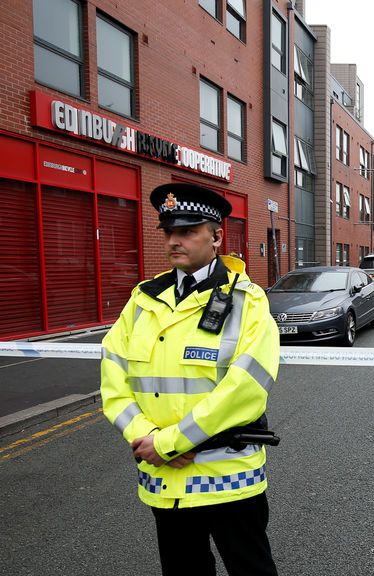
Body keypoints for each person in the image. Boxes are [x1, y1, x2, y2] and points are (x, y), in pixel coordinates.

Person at [100, 182, 280, 576]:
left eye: (186, 231)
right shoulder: (144, 298)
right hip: (164, 476)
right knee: (183, 570)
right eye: (168, 232)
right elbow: (113, 376)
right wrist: (144, 435)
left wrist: (167, 442)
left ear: (216, 237)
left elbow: (246, 389)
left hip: (226, 476)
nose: (173, 241)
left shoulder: (246, 301)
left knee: (251, 568)